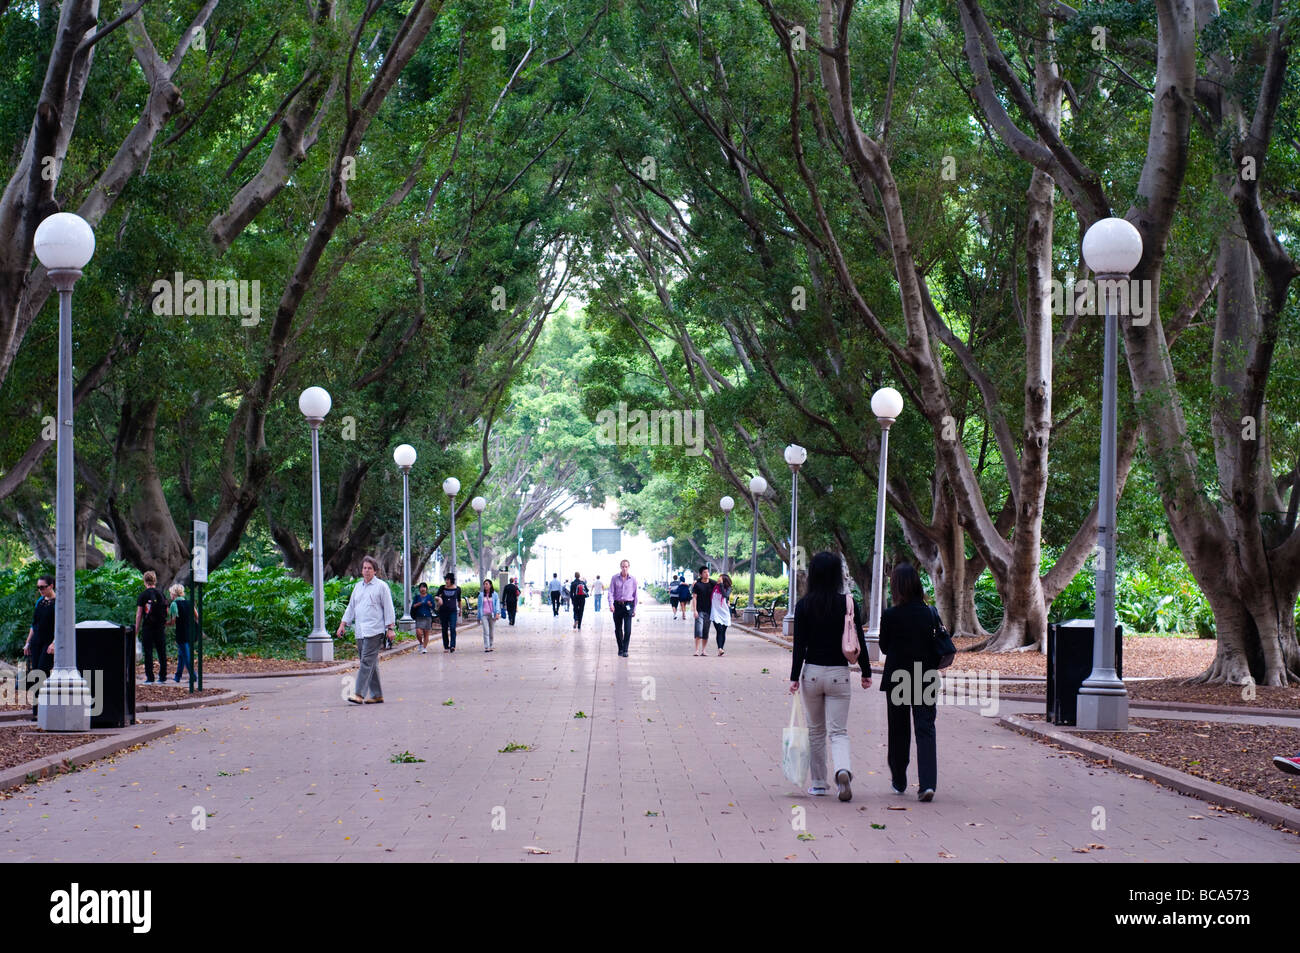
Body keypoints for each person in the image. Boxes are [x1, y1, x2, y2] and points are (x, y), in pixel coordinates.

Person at [788, 551, 868, 801]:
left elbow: (799, 646)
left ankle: (819, 784)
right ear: (836, 575)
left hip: (811, 673)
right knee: (838, 731)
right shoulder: (847, 602)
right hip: (839, 674)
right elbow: (858, 639)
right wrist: (865, 671)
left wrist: (793, 677)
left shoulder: (803, 605)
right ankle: (842, 769)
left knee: (815, 731)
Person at [879, 562, 941, 802]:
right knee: (925, 729)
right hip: (925, 676)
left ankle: (899, 779)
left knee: (898, 729)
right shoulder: (930, 612)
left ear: (896, 587)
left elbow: (884, 646)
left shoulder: (891, 615)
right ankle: (927, 784)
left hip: (898, 677)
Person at [336, 555, 395, 703]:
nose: (367, 571)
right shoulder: (358, 587)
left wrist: (390, 628)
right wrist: (343, 624)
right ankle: (377, 695)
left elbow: (389, 608)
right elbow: (351, 607)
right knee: (370, 663)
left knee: (366, 662)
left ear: (375, 571)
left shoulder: (381, 586)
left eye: (370, 568)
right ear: (361, 571)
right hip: (360, 631)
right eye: (364, 568)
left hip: (375, 630)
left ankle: (359, 694)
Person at [23, 575, 55, 715]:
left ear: (51, 586)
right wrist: (28, 642)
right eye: (39, 587)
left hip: (49, 642)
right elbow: (34, 625)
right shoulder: (40, 602)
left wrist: (54, 643)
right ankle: (36, 710)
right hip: (37, 641)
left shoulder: (58, 602)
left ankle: (46, 707)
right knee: (36, 673)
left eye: (43, 587)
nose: (40, 590)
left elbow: (61, 626)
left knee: (43, 671)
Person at [135, 570, 170, 683]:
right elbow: (167, 611)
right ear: (155, 580)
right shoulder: (161, 594)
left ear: (145, 581)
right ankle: (163, 677)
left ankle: (150, 678)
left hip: (148, 627)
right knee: (162, 652)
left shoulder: (143, 595)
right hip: (160, 627)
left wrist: (136, 629)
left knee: (148, 652)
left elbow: (139, 614)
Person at [166, 583, 199, 684]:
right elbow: (197, 616)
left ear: (174, 594)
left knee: (186, 656)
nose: (170, 595)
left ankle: (193, 676)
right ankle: (177, 676)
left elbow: (173, 622)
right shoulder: (190, 603)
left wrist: (164, 623)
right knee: (181, 655)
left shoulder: (174, 604)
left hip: (181, 633)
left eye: (171, 593)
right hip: (191, 633)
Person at [608, 559, 638, 657]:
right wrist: (611, 604)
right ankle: (620, 648)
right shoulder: (614, 578)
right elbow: (611, 592)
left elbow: (635, 594)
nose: (624, 568)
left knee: (628, 629)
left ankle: (625, 650)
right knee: (618, 629)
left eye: (626, 566)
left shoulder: (633, 579)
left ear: (629, 567)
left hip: (628, 605)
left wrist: (634, 609)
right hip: (617, 606)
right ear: (620, 567)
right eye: (623, 566)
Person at [691, 566, 717, 656]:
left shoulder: (712, 583)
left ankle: (704, 650)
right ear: (701, 574)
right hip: (699, 610)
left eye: (708, 572)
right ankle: (696, 650)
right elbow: (694, 598)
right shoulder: (697, 585)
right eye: (705, 572)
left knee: (706, 631)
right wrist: (695, 610)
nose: (707, 574)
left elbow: (721, 588)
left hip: (709, 611)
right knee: (698, 630)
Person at [435, 573, 461, 652]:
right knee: (444, 628)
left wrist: (460, 611)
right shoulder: (442, 588)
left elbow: (459, 600)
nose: (447, 581)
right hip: (443, 611)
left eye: (448, 579)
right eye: (446, 579)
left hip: (453, 611)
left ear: (451, 580)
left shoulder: (457, 589)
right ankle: (446, 646)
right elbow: (436, 596)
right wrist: (439, 599)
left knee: (453, 628)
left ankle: (453, 645)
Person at [711, 572, 733, 656]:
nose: (718, 579)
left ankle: (721, 648)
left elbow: (724, 595)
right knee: (719, 630)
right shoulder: (714, 586)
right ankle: (720, 648)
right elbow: (706, 580)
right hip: (715, 612)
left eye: (720, 578)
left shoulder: (728, 588)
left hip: (725, 612)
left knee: (723, 632)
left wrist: (720, 585)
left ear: (724, 580)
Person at [411, 582, 436, 653]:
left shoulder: (429, 596)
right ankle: (421, 643)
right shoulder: (417, 597)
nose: (423, 589)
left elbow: (433, 606)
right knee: (418, 632)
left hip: (427, 616)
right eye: (421, 587)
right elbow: (413, 606)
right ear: (419, 589)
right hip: (419, 616)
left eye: (424, 587)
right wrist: (418, 604)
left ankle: (424, 648)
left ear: (426, 589)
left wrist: (430, 604)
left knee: (426, 633)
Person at [479, 580, 500, 652]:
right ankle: (486, 647)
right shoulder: (481, 595)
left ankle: (491, 645)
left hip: (492, 615)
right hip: (484, 615)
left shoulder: (495, 594)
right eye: (484, 584)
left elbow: (497, 604)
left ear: (490, 585)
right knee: (486, 631)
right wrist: (478, 617)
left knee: (491, 631)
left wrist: (497, 613)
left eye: (487, 584)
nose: (485, 585)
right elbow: (479, 606)